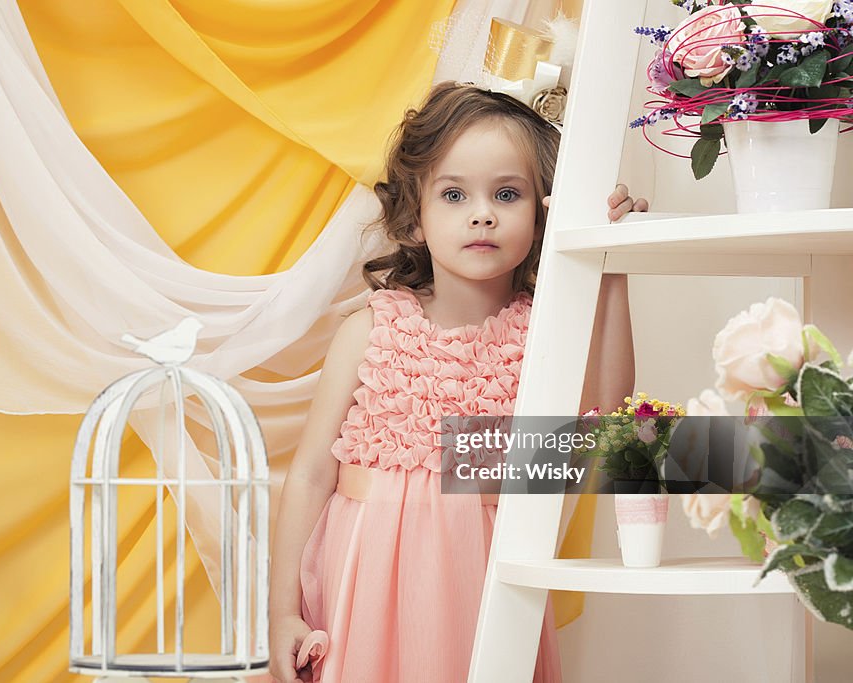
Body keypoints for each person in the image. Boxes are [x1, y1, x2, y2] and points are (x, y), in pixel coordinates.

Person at [268, 81, 644, 683]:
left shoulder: (544, 334)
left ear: (543, 212)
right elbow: (312, 473)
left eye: (506, 193)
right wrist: (280, 611)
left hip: (486, 590)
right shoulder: (370, 330)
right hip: (363, 590)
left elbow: (609, 415)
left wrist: (610, 259)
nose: (483, 212)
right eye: (453, 193)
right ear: (414, 219)